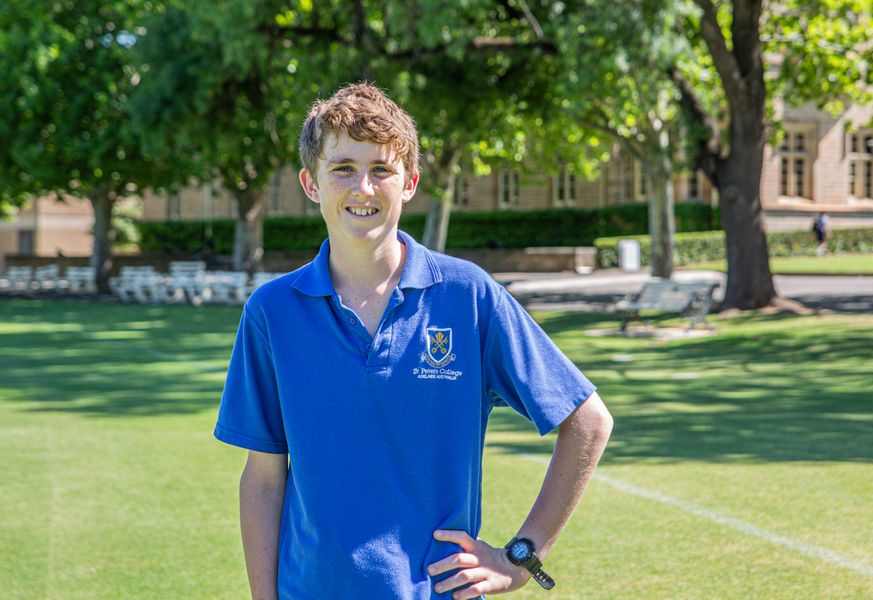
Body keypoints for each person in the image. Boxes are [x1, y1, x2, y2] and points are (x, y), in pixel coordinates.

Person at [214, 83, 613, 600]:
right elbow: (264, 480)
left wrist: (521, 558)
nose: (363, 188)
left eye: (381, 170)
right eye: (342, 169)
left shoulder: (467, 296)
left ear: (409, 183)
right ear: (311, 184)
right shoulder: (272, 312)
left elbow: (587, 420)